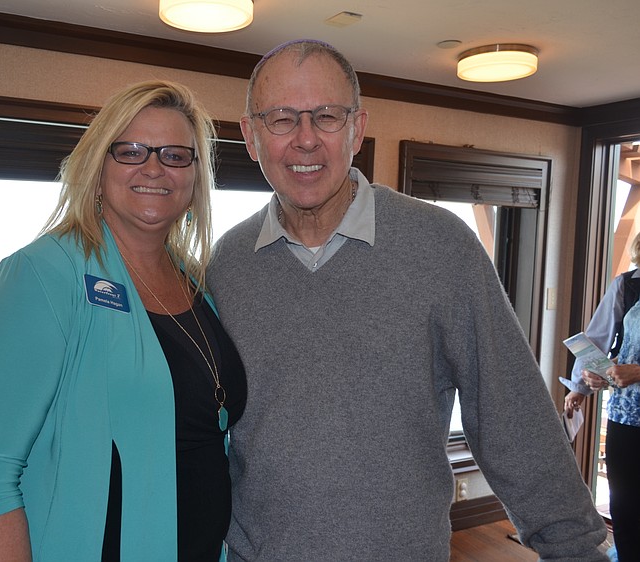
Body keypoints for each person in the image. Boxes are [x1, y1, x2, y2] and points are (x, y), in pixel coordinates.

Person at [207, 39, 607, 561]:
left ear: (356, 127)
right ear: (251, 136)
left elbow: (512, 415)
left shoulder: (442, 247)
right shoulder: (226, 265)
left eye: (326, 116)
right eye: (281, 119)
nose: (305, 140)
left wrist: (574, 548)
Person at [0, 80, 247, 561]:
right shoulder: (43, 274)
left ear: (194, 177)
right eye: (129, 151)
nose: (153, 167)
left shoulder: (196, 282)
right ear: (97, 166)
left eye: (174, 155)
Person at [564, 232, 640, 562]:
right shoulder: (626, 286)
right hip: (625, 418)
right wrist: (581, 385)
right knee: (625, 505)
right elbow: (595, 339)